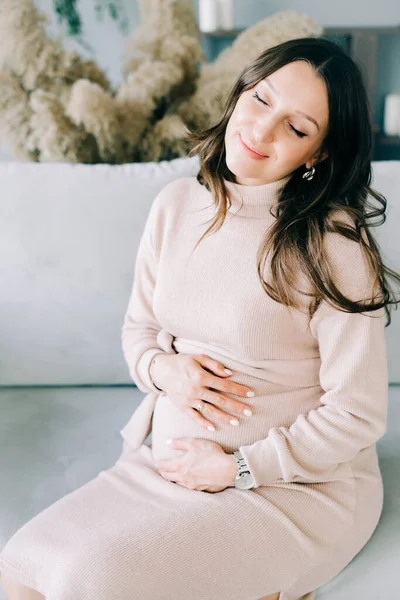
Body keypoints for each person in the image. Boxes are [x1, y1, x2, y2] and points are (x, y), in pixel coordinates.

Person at [1, 37, 399, 600]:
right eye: (261, 100)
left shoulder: (332, 243)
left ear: (318, 154)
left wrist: (238, 469)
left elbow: (357, 413)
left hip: (292, 487)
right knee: (18, 568)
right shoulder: (174, 206)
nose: (261, 131)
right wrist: (167, 371)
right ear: (240, 94)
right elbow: (139, 331)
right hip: (168, 468)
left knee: (89, 582)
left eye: (297, 127)